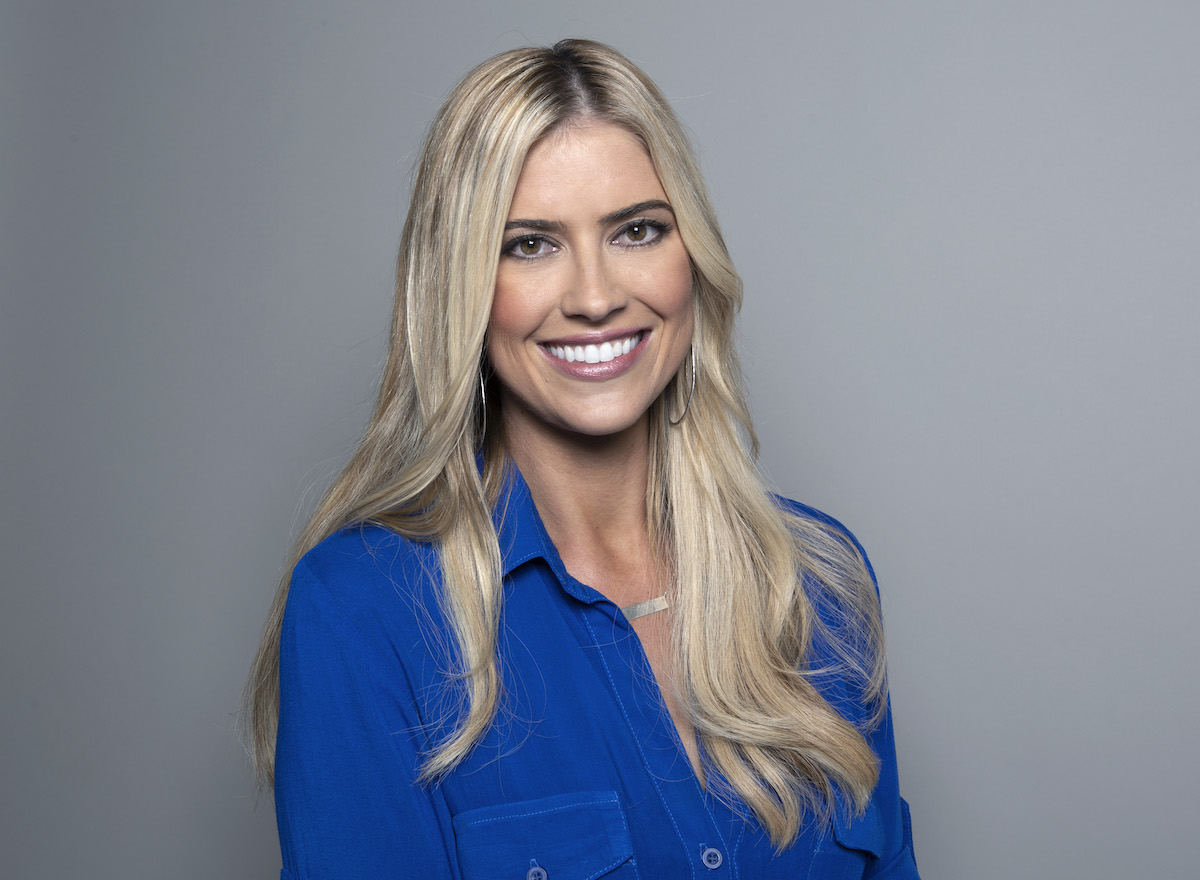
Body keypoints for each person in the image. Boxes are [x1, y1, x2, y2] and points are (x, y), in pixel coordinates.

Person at [244, 38, 920, 879]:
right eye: (529, 244)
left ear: (690, 259)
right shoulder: (361, 616)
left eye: (637, 230)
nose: (596, 297)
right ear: (459, 285)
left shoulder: (820, 587)